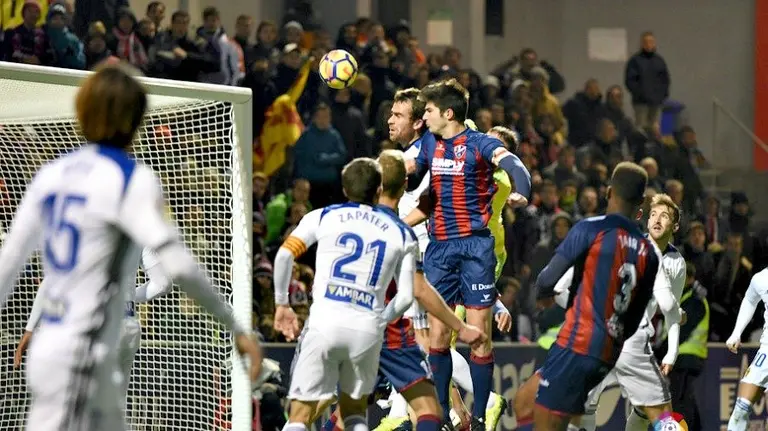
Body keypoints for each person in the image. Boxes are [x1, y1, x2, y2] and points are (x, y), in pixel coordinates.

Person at [0, 63, 261, 430]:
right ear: (137, 120)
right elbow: (179, 266)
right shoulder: (131, 179)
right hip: (86, 350)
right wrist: (235, 326)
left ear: (81, 113)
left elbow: (9, 263)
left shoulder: (50, 175)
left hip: (52, 346)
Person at [315, 150, 488, 431]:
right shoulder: (399, 232)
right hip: (384, 331)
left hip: (339, 322)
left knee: (346, 408)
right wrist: (460, 326)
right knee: (428, 408)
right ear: (404, 185)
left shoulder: (341, 219)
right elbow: (417, 290)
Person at [405, 78, 531, 429]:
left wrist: (522, 191)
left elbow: (516, 167)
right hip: (439, 249)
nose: (424, 117)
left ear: (448, 113)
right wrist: (403, 172)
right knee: (438, 337)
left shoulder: (481, 143)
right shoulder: (430, 143)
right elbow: (416, 179)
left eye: (429, 111)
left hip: (475, 247)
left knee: (479, 336)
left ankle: (479, 417)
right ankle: (443, 414)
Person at [271, 158, 417, 431]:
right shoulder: (399, 231)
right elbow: (406, 297)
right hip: (365, 329)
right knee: (354, 415)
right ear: (378, 190)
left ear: (345, 189)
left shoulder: (323, 216)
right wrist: (381, 320)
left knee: (300, 415)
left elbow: (284, 256)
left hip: (323, 323)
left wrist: (282, 304)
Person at [532, 162, 664, 430]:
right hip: (608, 352)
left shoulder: (591, 229)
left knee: (548, 424)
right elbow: (634, 316)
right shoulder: (649, 252)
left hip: (576, 343)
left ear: (608, 192)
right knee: (525, 402)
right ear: (641, 203)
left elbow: (546, 280)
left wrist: (545, 297)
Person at [572, 194, 687, 430]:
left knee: (643, 410)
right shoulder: (633, 245)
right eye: (653, 214)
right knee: (656, 409)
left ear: (675, 226)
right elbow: (672, 308)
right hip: (609, 332)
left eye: (664, 216)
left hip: (629, 337)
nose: (657, 220)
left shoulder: (676, 262)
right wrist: (677, 312)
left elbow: (670, 310)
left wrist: (671, 352)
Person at [15, 248, 172, 401]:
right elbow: (162, 285)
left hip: (94, 326)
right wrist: (125, 299)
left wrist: (29, 329)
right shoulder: (137, 233)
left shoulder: (86, 231)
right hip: (128, 328)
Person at [724, 269, 768, 430]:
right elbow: (750, 300)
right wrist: (736, 333)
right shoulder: (761, 278)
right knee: (741, 408)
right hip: (766, 350)